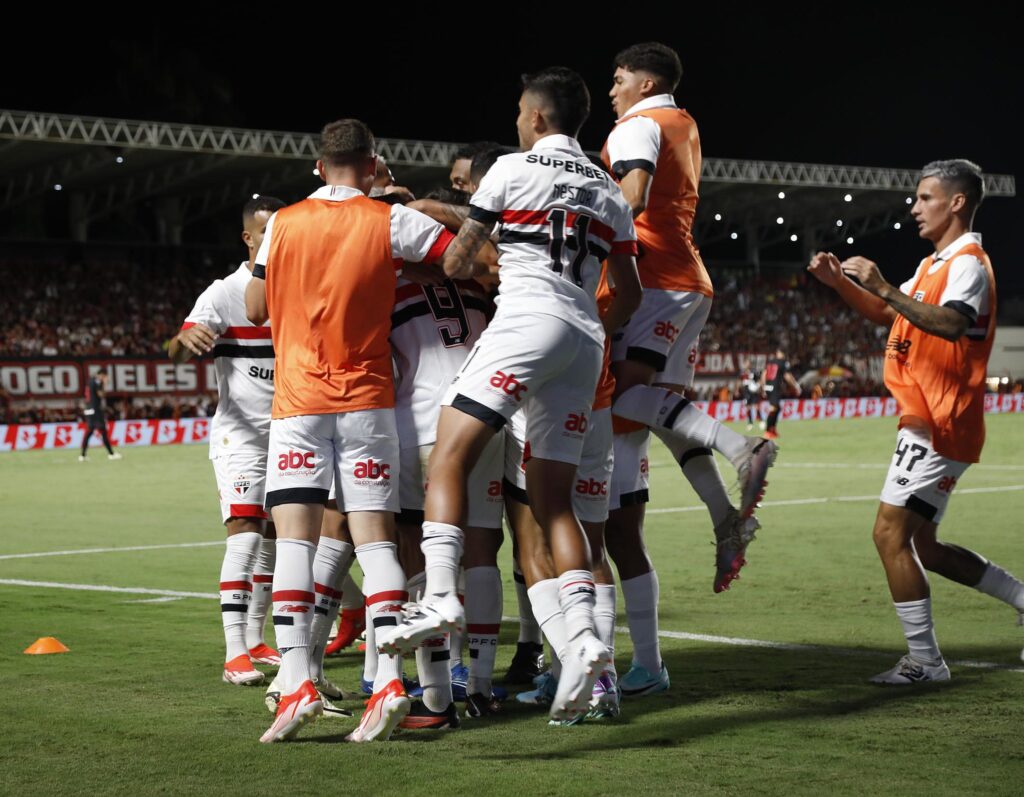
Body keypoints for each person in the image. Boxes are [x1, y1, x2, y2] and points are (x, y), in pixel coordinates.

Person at [377, 66, 642, 723]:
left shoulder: (511, 170)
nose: (519, 122)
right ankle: (584, 638)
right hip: (585, 340)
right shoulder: (608, 189)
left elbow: (457, 261)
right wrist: (589, 326)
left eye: (522, 112)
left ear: (538, 118)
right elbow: (629, 292)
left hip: (526, 320)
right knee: (555, 501)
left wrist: (463, 254)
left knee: (450, 453)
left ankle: (441, 595)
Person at [244, 118, 458, 742]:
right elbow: (463, 259)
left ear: (318, 165)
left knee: (295, 543)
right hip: (369, 401)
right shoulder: (391, 219)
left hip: (300, 401)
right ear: (371, 165)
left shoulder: (283, 223)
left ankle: (297, 683)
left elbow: (255, 309)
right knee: (376, 543)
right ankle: (389, 683)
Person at [597, 41, 773, 696]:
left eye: (618, 78)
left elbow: (634, 198)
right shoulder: (682, 122)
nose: (612, 89)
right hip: (684, 281)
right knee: (656, 418)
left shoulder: (636, 125)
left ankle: (742, 446)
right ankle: (726, 518)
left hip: (656, 283)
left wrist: (582, 223)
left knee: (622, 400)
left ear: (644, 82)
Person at [808, 158, 1024, 683]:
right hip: (928, 419)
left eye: (925, 197)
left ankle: (925, 662)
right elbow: (890, 314)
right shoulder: (932, 265)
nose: (914, 207)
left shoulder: (967, 264)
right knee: (923, 544)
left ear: (957, 202)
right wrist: (840, 284)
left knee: (889, 535)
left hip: (939, 422)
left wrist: (884, 286)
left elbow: (952, 324)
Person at [170, 196, 285, 686]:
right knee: (245, 533)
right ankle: (234, 652)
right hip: (241, 436)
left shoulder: (294, 288)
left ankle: (256, 638)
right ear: (248, 238)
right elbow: (175, 350)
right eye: (266, 233)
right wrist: (184, 341)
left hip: (289, 434)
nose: (275, 241)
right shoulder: (224, 292)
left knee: (275, 541)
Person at [78, 368, 121, 461]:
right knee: (103, 431)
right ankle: (111, 454)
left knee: (89, 432)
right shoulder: (97, 381)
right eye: (105, 377)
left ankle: (82, 455)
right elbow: (100, 394)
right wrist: (104, 384)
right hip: (95, 409)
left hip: (88, 409)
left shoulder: (90, 380)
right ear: (102, 375)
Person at [760, 347, 800, 439]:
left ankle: (772, 429)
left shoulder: (770, 362)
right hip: (775, 387)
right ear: (783, 353)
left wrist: (763, 387)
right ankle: (767, 430)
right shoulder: (783, 362)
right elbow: (787, 376)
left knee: (777, 408)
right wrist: (795, 386)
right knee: (774, 408)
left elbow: (764, 374)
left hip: (768, 387)